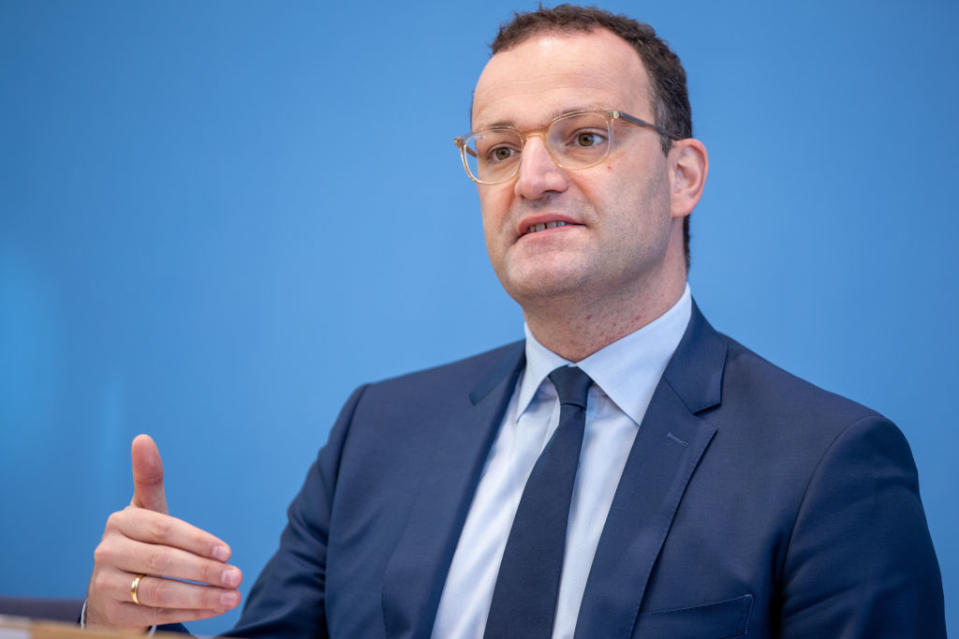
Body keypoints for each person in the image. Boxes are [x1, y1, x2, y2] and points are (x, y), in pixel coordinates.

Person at [83, 5, 946, 638]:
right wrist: (133, 623)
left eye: (585, 136)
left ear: (683, 176)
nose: (532, 177)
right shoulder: (375, 433)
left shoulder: (829, 467)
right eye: (498, 150)